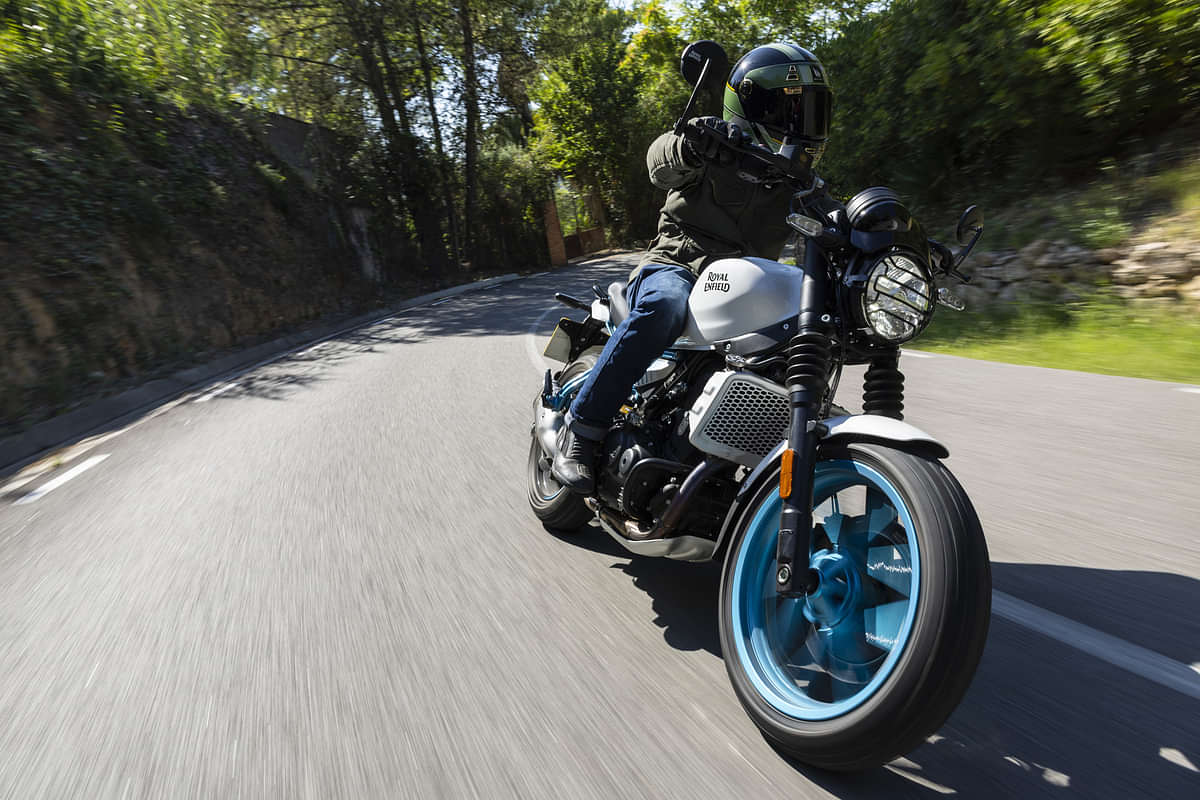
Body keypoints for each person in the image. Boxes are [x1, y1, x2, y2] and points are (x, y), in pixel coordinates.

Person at [553, 43, 835, 494]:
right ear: (753, 106)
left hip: (739, 286)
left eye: (811, 112)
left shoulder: (800, 186)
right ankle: (582, 433)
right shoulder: (713, 144)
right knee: (665, 306)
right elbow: (658, 161)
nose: (802, 124)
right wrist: (690, 145)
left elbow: (833, 224)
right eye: (791, 110)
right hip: (676, 265)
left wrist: (884, 235)